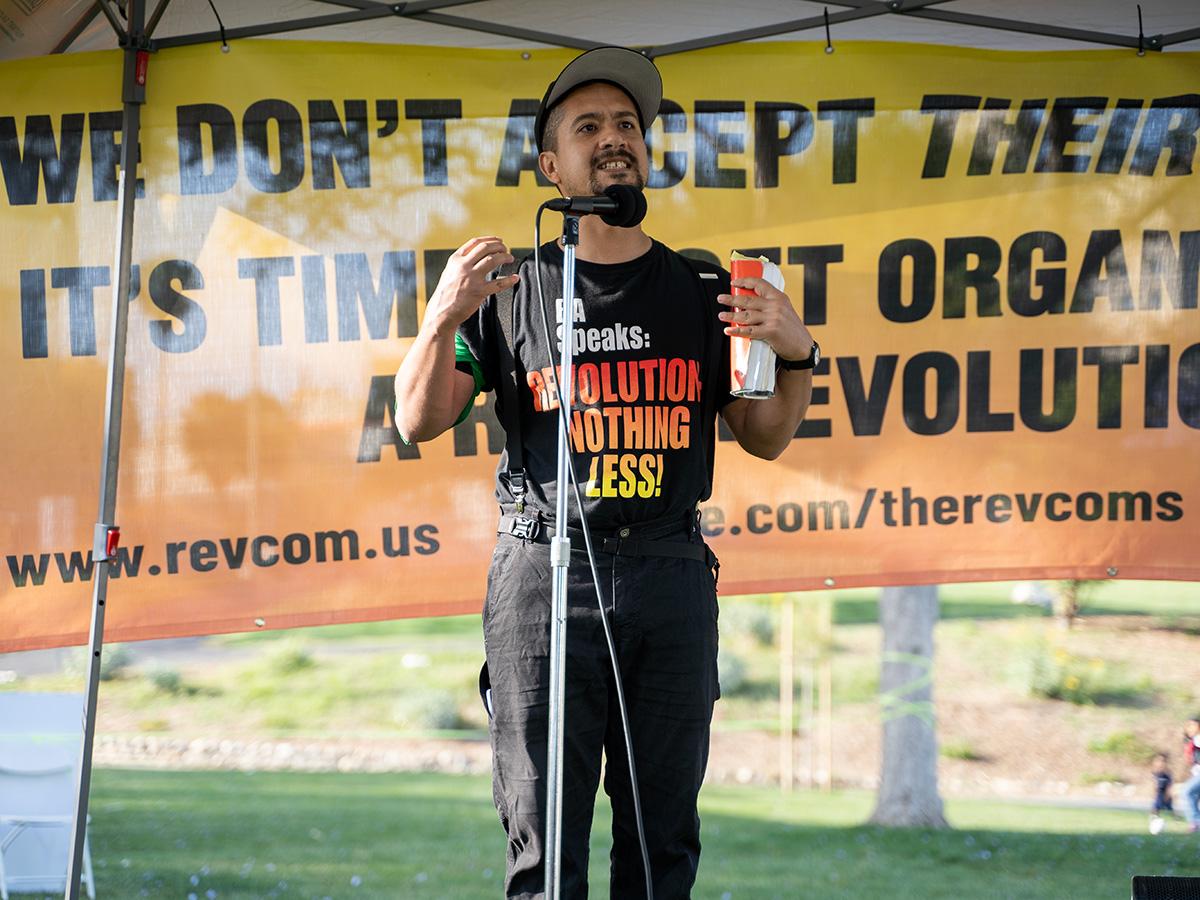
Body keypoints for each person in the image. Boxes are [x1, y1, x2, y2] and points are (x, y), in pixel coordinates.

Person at [395, 46, 815, 898]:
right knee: (544, 853)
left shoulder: (705, 287)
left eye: (628, 124)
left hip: (667, 572)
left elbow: (763, 435)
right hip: (543, 580)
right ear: (551, 166)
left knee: (662, 849)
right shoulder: (514, 288)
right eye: (588, 127)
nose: (614, 137)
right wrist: (442, 316)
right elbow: (417, 418)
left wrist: (797, 351)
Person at [1182, 716, 1200, 834]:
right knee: (1193, 796)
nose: (1189, 728)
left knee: (1187, 791)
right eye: (1187, 726)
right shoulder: (1193, 741)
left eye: (1192, 725)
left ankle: (1195, 821)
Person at [1149, 752, 1173, 834]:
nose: (1160, 763)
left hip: (1165, 793)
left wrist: (1168, 795)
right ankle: (1154, 819)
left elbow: (1169, 785)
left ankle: (1175, 819)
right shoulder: (1155, 773)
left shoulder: (1167, 774)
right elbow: (1153, 784)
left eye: (1163, 761)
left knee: (1169, 809)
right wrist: (1153, 792)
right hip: (1158, 793)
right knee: (1156, 807)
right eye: (1158, 761)